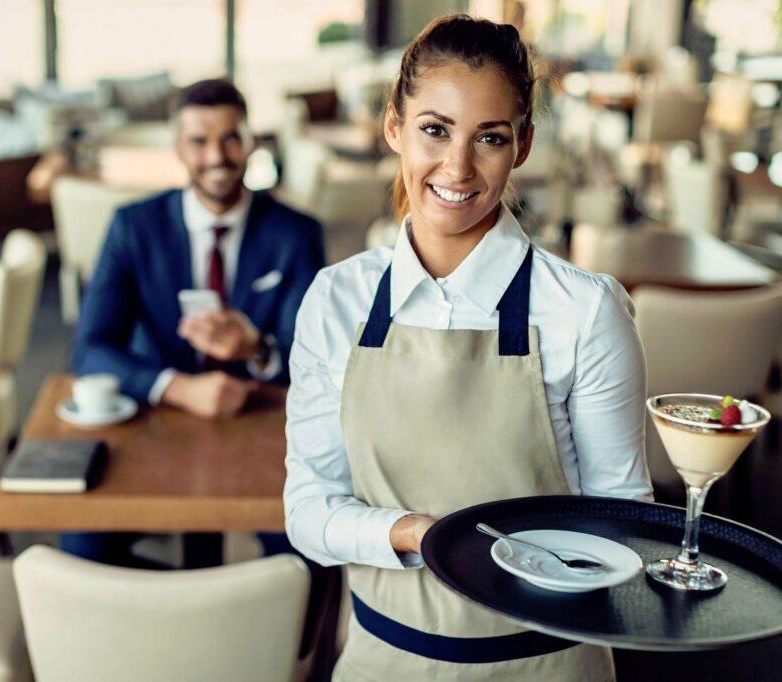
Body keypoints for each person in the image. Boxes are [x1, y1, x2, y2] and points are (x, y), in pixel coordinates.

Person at [284, 15, 651, 681]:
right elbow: (308, 512)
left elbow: (622, 522)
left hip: (548, 664)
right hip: (383, 662)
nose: (457, 167)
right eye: (435, 129)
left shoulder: (585, 311)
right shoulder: (336, 302)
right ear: (394, 127)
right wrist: (415, 534)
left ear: (524, 145)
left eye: (489, 137)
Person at [67, 78, 325, 568]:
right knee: (82, 544)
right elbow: (89, 349)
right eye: (199, 141)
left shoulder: (296, 234)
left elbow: (313, 363)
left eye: (231, 137)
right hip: (153, 425)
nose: (216, 156)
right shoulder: (133, 227)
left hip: (262, 431)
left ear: (251, 143)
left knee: (305, 547)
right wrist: (176, 387)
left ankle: (289, 645)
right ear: (178, 149)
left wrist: (258, 350)